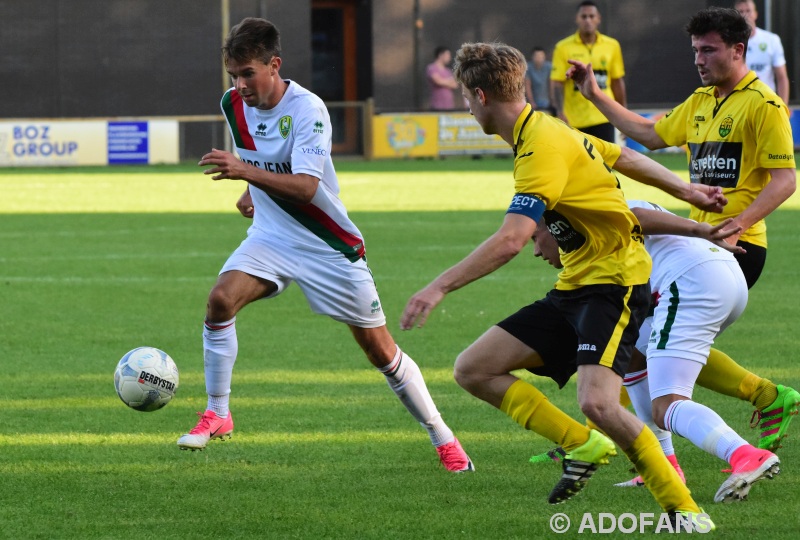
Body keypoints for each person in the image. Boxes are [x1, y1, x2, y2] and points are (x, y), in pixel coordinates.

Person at [400, 40, 721, 526]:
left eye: (466, 98)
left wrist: (439, 286)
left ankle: (686, 512)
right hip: (577, 283)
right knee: (474, 368)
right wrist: (686, 189)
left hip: (614, 283)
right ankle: (581, 443)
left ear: (481, 95)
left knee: (598, 402)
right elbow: (623, 157)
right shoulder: (547, 130)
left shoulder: (539, 147)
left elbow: (512, 240)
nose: (466, 107)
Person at [176, 17, 474, 473]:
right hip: (272, 237)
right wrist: (250, 189)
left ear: (274, 65)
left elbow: (308, 187)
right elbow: (261, 160)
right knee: (220, 301)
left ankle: (444, 439)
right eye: (233, 75)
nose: (240, 84)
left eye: (248, 73)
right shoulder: (232, 105)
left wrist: (246, 174)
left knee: (381, 352)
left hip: (325, 242)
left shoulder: (309, 109)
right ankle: (218, 412)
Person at [566, 6, 797, 445]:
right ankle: (660, 453)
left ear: (738, 50)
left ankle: (749, 405)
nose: (698, 59)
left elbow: (786, 180)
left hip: (739, 247)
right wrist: (594, 94)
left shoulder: (764, 105)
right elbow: (650, 135)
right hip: (696, 244)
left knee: (652, 344)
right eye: (695, 50)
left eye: (708, 50)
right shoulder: (700, 101)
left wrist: (737, 224)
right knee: (647, 344)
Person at [531, 200, 782, 503]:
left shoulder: (584, 209)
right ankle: (665, 466)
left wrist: (698, 228)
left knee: (667, 405)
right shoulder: (589, 223)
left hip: (691, 282)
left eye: (535, 237)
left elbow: (632, 214)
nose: (535, 251)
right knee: (633, 356)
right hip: (716, 276)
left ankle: (745, 455)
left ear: (553, 225)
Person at [550, 0, 626, 142]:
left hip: (604, 116)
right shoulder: (562, 47)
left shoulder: (612, 45)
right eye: (584, 16)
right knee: (577, 163)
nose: (588, 20)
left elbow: (617, 81)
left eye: (592, 16)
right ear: (577, 19)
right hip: (574, 120)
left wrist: (624, 115)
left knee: (606, 162)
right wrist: (559, 112)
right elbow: (557, 83)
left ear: (598, 19)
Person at [735, 0, 790, 104]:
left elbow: (782, 77)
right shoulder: (730, 42)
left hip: (766, 101)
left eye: (748, 10)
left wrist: (783, 107)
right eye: (741, 11)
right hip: (740, 103)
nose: (745, 15)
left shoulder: (771, 40)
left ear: (755, 14)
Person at [426, 46, 459, 111]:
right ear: (440, 55)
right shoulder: (432, 68)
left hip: (449, 107)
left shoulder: (448, 71)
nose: (449, 58)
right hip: (437, 107)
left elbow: (455, 85)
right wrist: (449, 81)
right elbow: (437, 81)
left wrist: (443, 81)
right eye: (447, 55)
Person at [525, 47, 553, 113]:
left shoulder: (549, 67)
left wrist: (552, 100)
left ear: (544, 57)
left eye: (541, 56)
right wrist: (531, 102)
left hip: (547, 100)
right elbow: (527, 85)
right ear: (532, 57)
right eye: (537, 56)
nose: (539, 58)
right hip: (534, 102)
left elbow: (551, 84)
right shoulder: (528, 68)